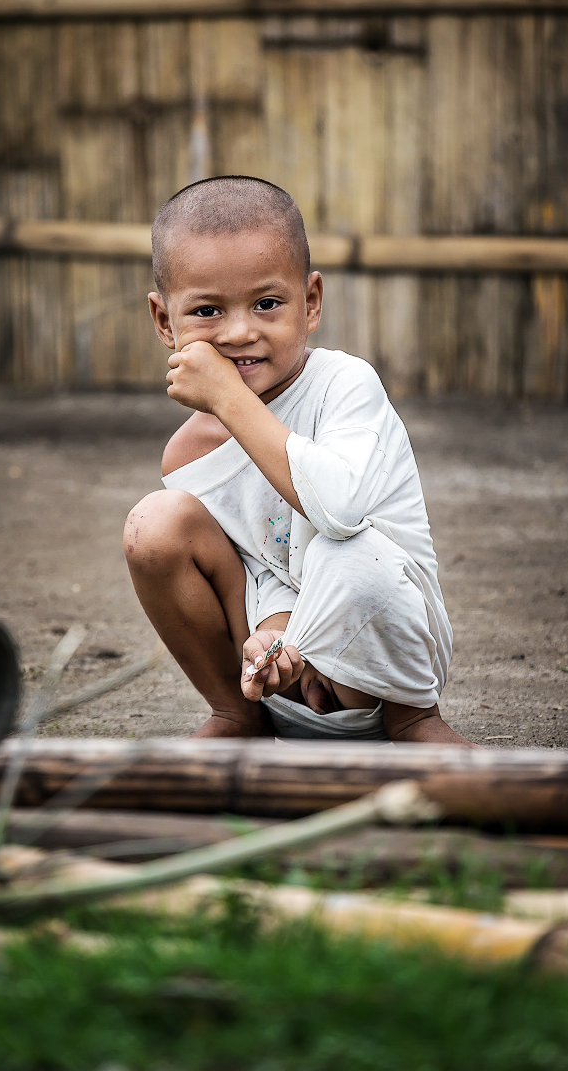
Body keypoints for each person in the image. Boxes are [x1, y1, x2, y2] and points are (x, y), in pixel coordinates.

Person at [124, 176, 473, 745]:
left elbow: (337, 514)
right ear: (166, 322)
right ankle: (238, 715)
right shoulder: (189, 453)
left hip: (383, 669)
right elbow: (263, 556)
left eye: (267, 303)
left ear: (309, 303)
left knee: (353, 557)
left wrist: (231, 401)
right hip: (281, 674)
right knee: (155, 523)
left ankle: (416, 722)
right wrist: (272, 631)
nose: (240, 332)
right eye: (208, 311)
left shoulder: (345, 387)